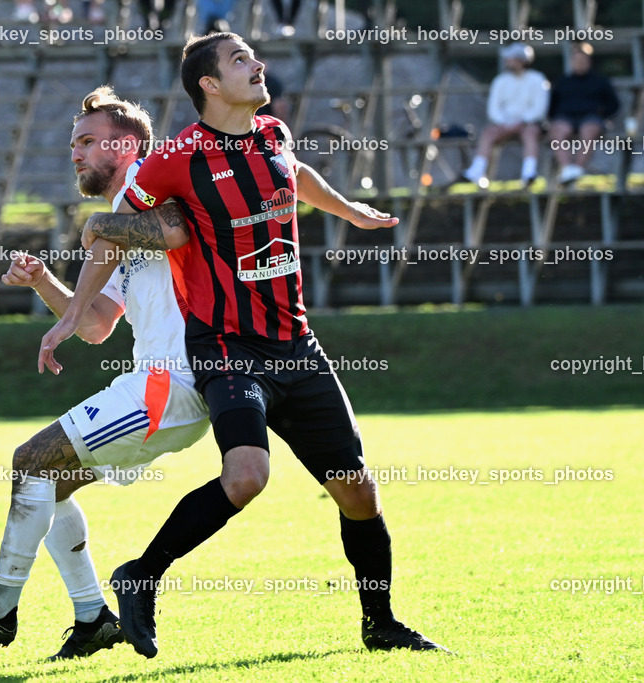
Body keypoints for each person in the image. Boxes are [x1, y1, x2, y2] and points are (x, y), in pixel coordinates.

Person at [39, 32, 446, 659]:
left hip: (295, 342)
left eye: (253, 58)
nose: (256, 66)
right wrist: (70, 315)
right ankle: (140, 576)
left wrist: (349, 211)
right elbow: (115, 233)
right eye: (239, 61)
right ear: (208, 83)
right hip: (226, 347)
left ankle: (381, 624)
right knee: (247, 475)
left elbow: (296, 173)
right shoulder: (174, 160)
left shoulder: (274, 135)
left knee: (357, 489)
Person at [0, 86, 210, 659]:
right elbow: (98, 323)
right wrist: (47, 282)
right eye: (72, 143)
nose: (75, 153)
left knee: (30, 460)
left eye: (87, 141)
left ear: (127, 146)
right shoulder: (125, 211)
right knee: (42, 482)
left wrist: (98, 227)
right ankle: (93, 617)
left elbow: (178, 224)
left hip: (171, 384)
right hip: (163, 387)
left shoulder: (150, 181)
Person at [462, 42, 550, 188]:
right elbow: (494, 108)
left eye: (511, 58)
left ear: (521, 61)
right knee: (488, 133)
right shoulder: (500, 81)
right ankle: (477, 170)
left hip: (529, 124)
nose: (507, 61)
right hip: (504, 124)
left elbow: (539, 108)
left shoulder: (538, 79)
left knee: (531, 133)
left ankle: (529, 173)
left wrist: (522, 122)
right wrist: (505, 123)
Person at [548, 42, 620, 185]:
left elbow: (614, 104)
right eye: (576, 60)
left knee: (589, 129)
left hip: (591, 117)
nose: (580, 63)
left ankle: (577, 169)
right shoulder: (562, 81)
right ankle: (567, 168)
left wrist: (603, 114)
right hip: (566, 117)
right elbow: (552, 107)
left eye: (583, 60)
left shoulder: (600, 81)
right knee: (556, 130)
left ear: (589, 61)